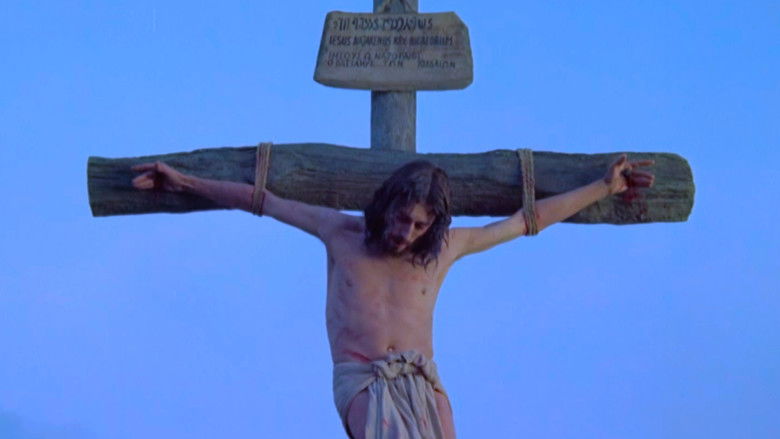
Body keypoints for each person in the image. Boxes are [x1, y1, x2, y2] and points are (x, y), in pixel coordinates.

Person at [132, 155, 654, 439]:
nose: (407, 232)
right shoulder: (339, 232)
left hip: (422, 379)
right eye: (402, 218)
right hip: (363, 378)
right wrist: (184, 182)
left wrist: (603, 188)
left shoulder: (445, 249)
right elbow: (261, 201)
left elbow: (526, 221)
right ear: (386, 207)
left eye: (420, 225)